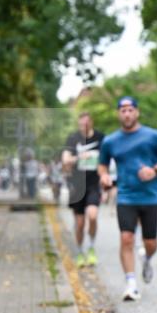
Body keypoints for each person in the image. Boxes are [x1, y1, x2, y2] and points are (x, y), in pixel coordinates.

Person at [97, 96, 157, 302]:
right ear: (118, 113)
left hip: (150, 196)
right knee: (126, 238)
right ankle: (130, 283)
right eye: (123, 110)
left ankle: (147, 259)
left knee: (151, 242)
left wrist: (154, 171)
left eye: (130, 109)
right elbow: (102, 164)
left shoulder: (152, 136)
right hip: (126, 196)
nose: (127, 113)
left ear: (137, 112)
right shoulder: (110, 141)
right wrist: (103, 175)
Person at [62, 112, 105, 267]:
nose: (83, 127)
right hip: (77, 186)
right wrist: (80, 157)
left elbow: (108, 159)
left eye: (86, 124)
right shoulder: (73, 139)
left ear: (91, 122)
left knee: (92, 216)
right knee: (80, 224)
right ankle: (80, 252)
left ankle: (91, 247)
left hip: (94, 184)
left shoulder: (101, 138)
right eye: (81, 125)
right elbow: (65, 160)